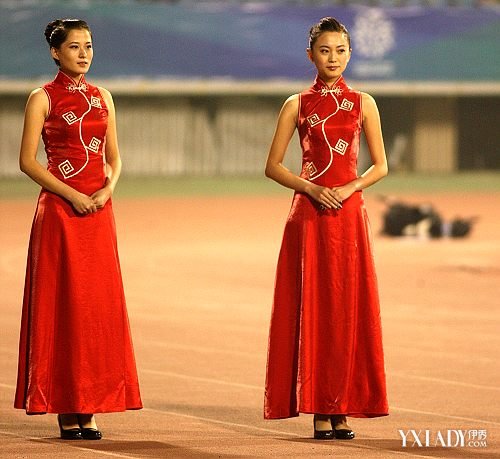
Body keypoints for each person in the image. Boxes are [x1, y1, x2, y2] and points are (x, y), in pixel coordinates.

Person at [14, 18, 142, 440]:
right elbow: (29, 162)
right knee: (63, 307)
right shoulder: (42, 97)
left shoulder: (103, 96)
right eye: (74, 47)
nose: (84, 53)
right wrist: (71, 195)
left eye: (88, 46)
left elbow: (115, 157)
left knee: (95, 309)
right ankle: (67, 407)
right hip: (60, 215)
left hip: (98, 213)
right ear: (55, 52)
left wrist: (108, 189)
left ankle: (92, 403)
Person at [264, 17, 389, 440]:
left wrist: (351, 186)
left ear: (350, 54)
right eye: (324, 50)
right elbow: (273, 166)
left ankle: (345, 407)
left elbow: (381, 165)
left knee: (348, 311)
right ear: (310, 55)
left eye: (340, 50)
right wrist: (312, 188)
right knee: (315, 310)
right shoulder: (296, 104)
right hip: (310, 218)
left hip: (349, 216)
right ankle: (320, 407)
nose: (332, 58)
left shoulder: (364, 103)